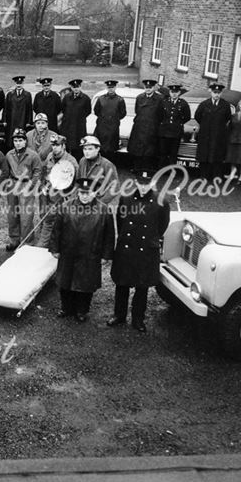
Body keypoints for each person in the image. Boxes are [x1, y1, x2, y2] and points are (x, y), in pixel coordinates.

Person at [108, 169, 170, 333]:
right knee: (122, 284)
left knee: (142, 287)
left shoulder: (161, 201)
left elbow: (162, 226)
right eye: (140, 183)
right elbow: (120, 221)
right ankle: (119, 315)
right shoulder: (126, 199)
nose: (143, 187)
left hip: (146, 250)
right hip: (127, 247)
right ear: (135, 183)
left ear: (153, 184)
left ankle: (138, 319)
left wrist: (151, 239)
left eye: (147, 184)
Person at [49, 176, 115, 323]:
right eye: (82, 193)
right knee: (65, 282)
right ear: (78, 192)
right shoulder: (66, 206)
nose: (85, 196)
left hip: (90, 254)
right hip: (68, 252)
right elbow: (56, 230)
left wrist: (106, 255)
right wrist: (55, 248)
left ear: (95, 193)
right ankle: (66, 308)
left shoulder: (104, 210)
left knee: (86, 284)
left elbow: (109, 235)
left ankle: (82, 310)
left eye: (89, 193)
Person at [4, 128, 42, 250]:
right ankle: (14, 239)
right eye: (15, 140)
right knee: (12, 214)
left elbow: (37, 171)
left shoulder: (33, 155)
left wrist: (31, 185)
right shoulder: (9, 154)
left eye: (20, 140)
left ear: (25, 141)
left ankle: (27, 243)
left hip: (26, 184)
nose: (18, 143)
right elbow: (6, 170)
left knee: (26, 215)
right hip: (13, 183)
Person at [39, 134, 77, 248]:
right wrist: (43, 185)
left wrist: (69, 198)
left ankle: (54, 245)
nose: (54, 148)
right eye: (53, 145)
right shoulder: (50, 156)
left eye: (57, 145)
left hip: (62, 196)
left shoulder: (71, 161)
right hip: (47, 193)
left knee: (59, 221)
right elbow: (44, 170)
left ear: (63, 146)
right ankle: (44, 243)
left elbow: (75, 183)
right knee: (45, 216)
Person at [194, 82, 232, 180]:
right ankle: (203, 176)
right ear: (211, 93)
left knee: (217, 156)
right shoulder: (204, 104)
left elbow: (228, 118)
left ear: (221, 93)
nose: (216, 94)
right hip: (205, 134)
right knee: (204, 156)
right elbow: (197, 116)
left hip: (218, 135)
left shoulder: (225, 105)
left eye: (218, 93)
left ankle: (216, 176)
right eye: (215, 92)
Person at [127, 79, 164, 172]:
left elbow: (161, 114)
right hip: (139, 127)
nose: (148, 89)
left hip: (152, 127)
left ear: (154, 88)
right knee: (137, 149)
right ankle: (137, 168)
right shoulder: (139, 97)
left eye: (150, 87)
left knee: (150, 150)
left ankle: (147, 169)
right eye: (146, 87)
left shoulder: (160, 99)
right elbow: (137, 111)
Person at [77, 134, 119, 209]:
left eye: (90, 149)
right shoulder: (82, 161)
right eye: (84, 149)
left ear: (97, 149)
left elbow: (115, 187)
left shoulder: (106, 165)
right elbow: (78, 181)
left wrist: (100, 203)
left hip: (98, 203)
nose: (86, 152)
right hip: (83, 200)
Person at [157, 84, 191, 168]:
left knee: (173, 153)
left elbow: (187, 117)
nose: (174, 94)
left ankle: (171, 170)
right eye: (172, 92)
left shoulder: (183, 103)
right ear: (169, 92)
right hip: (164, 132)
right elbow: (159, 115)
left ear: (179, 92)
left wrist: (178, 123)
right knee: (162, 152)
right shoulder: (164, 102)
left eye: (176, 92)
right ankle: (161, 170)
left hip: (176, 132)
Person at [93, 79, 126, 160]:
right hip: (101, 126)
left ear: (115, 88)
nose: (110, 89)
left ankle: (109, 165)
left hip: (113, 127)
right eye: (109, 87)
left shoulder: (120, 100)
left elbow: (122, 113)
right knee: (100, 147)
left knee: (111, 148)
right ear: (107, 88)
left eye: (112, 87)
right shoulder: (101, 98)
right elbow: (96, 111)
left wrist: (114, 119)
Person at [59, 79, 90, 160]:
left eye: (78, 87)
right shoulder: (67, 97)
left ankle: (77, 165)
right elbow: (63, 109)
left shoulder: (85, 98)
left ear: (80, 87)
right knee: (66, 145)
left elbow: (88, 111)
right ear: (71, 88)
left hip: (79, 126)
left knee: (78, 147)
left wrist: (79, 118)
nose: (76, 89)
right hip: (67, 126)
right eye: (74, 87)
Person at [2, 75, 33, 150]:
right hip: (12, 120)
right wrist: (4, 120)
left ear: (23, 84)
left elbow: (30, 109)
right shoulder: (10, 94)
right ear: (15, 84)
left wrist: (29, 121)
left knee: (21, 136)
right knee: (10, 138)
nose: (19, 85)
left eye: (20, 83)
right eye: (17, 83)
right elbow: (5, 108)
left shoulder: (27, 95)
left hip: (23, 119)